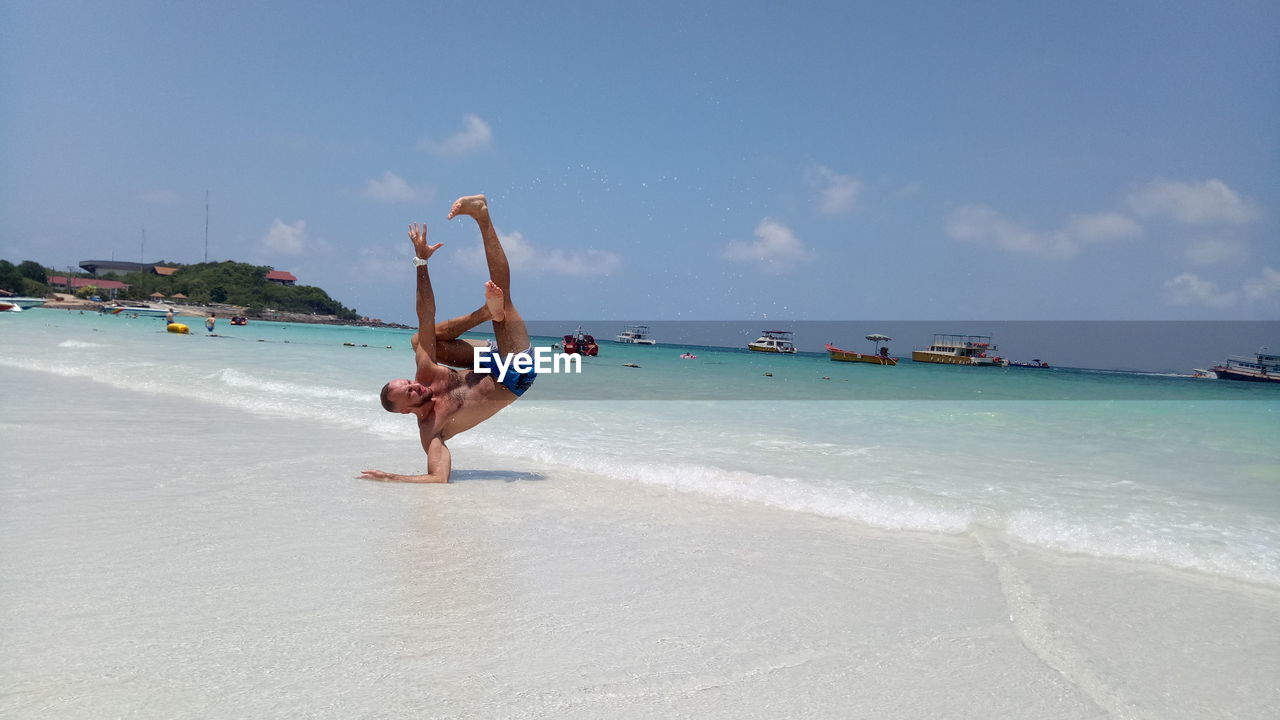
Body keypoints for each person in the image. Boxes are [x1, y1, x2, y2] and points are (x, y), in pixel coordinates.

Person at [360, 195, 534, 484]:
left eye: (409, 383)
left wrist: (421, 262)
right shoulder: (431, 430)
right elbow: (439, 478)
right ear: (405, 410)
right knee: (505, 293)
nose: (416, 385)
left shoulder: (426, 375)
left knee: (421, 339)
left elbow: (425, 314)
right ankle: (482, 217)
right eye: (411, 392)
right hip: (514, 375)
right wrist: (390, 477)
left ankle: (487, 313)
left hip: (487, 359)